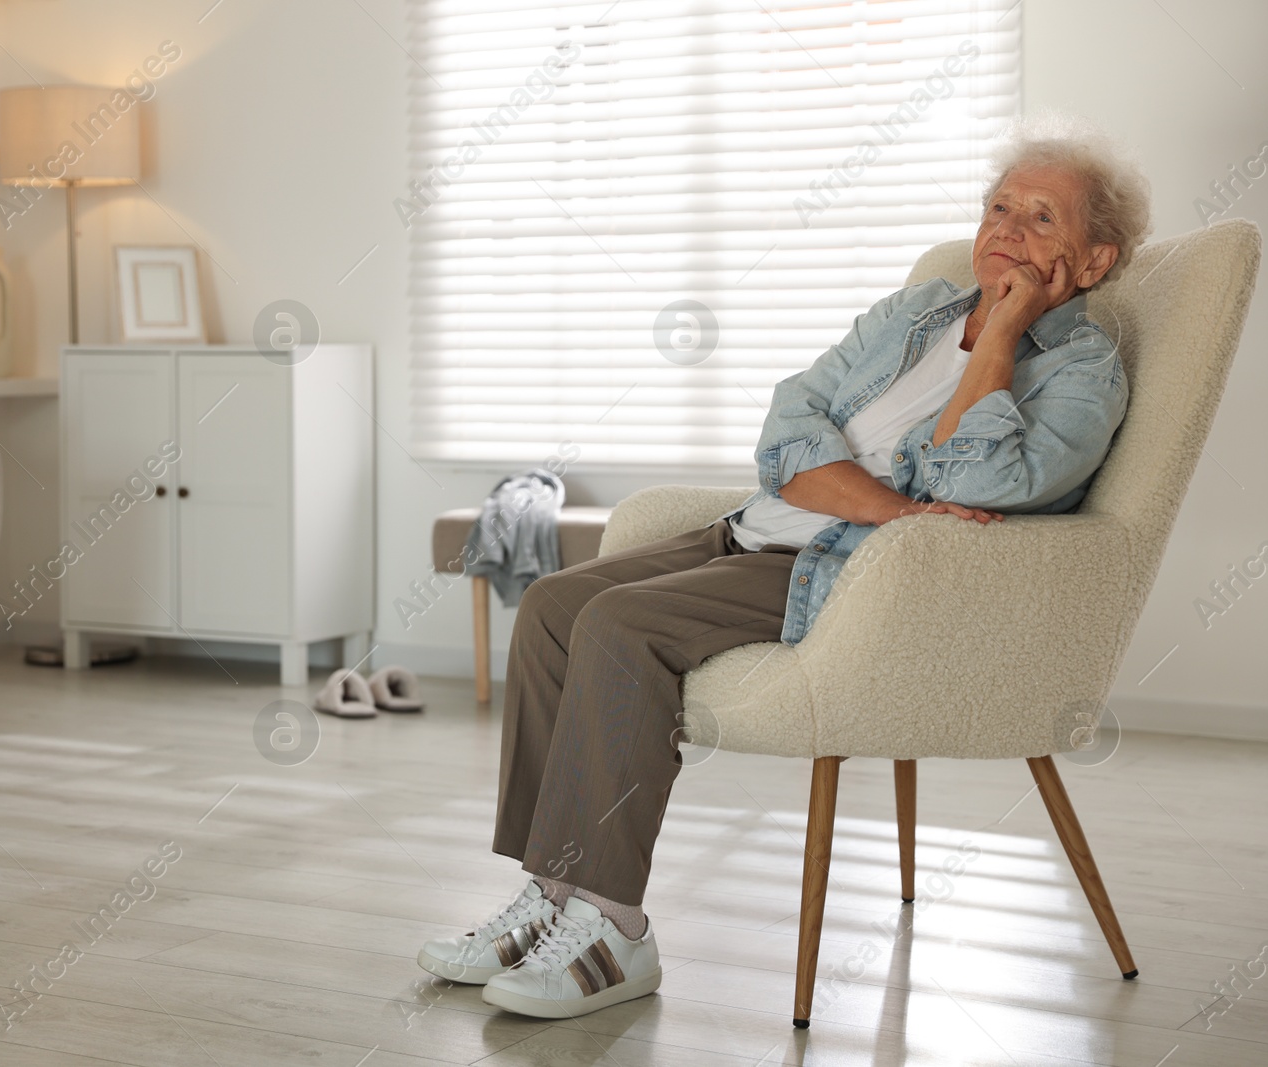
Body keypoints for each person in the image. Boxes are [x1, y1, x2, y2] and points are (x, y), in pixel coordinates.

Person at [417, 114, 1153, 1019]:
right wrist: (890, 498)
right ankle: (550, 894)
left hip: (835, 563)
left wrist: (999, 341)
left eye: (1042, 219)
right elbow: (787, 422)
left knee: (617, 627)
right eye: (999, 207)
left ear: (1093, 262)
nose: (1006, 229)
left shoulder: (1083, 371)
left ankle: (613, 930)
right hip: (759, 524)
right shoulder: (915, 311)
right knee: (555, 603)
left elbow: (986, 480)